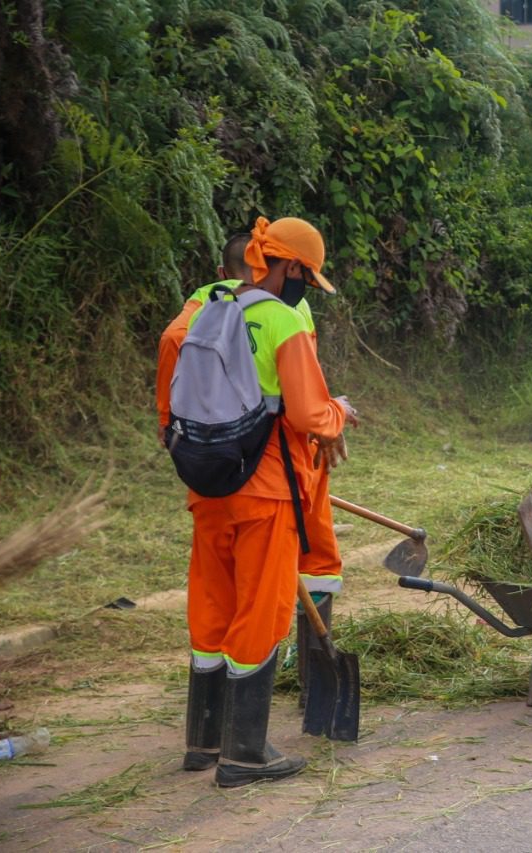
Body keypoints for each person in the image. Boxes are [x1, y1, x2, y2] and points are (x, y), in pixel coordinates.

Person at [180, 216, 355, 787]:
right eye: (306, 275)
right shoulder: (282, 319)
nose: (307, 286)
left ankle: (203, 740)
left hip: (209, 484)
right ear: (290, 267)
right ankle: (245, 753)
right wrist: (340, 415)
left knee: (213, 606)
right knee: (263, 609)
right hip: (267, 489)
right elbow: (307, 414)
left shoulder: (212, 309)